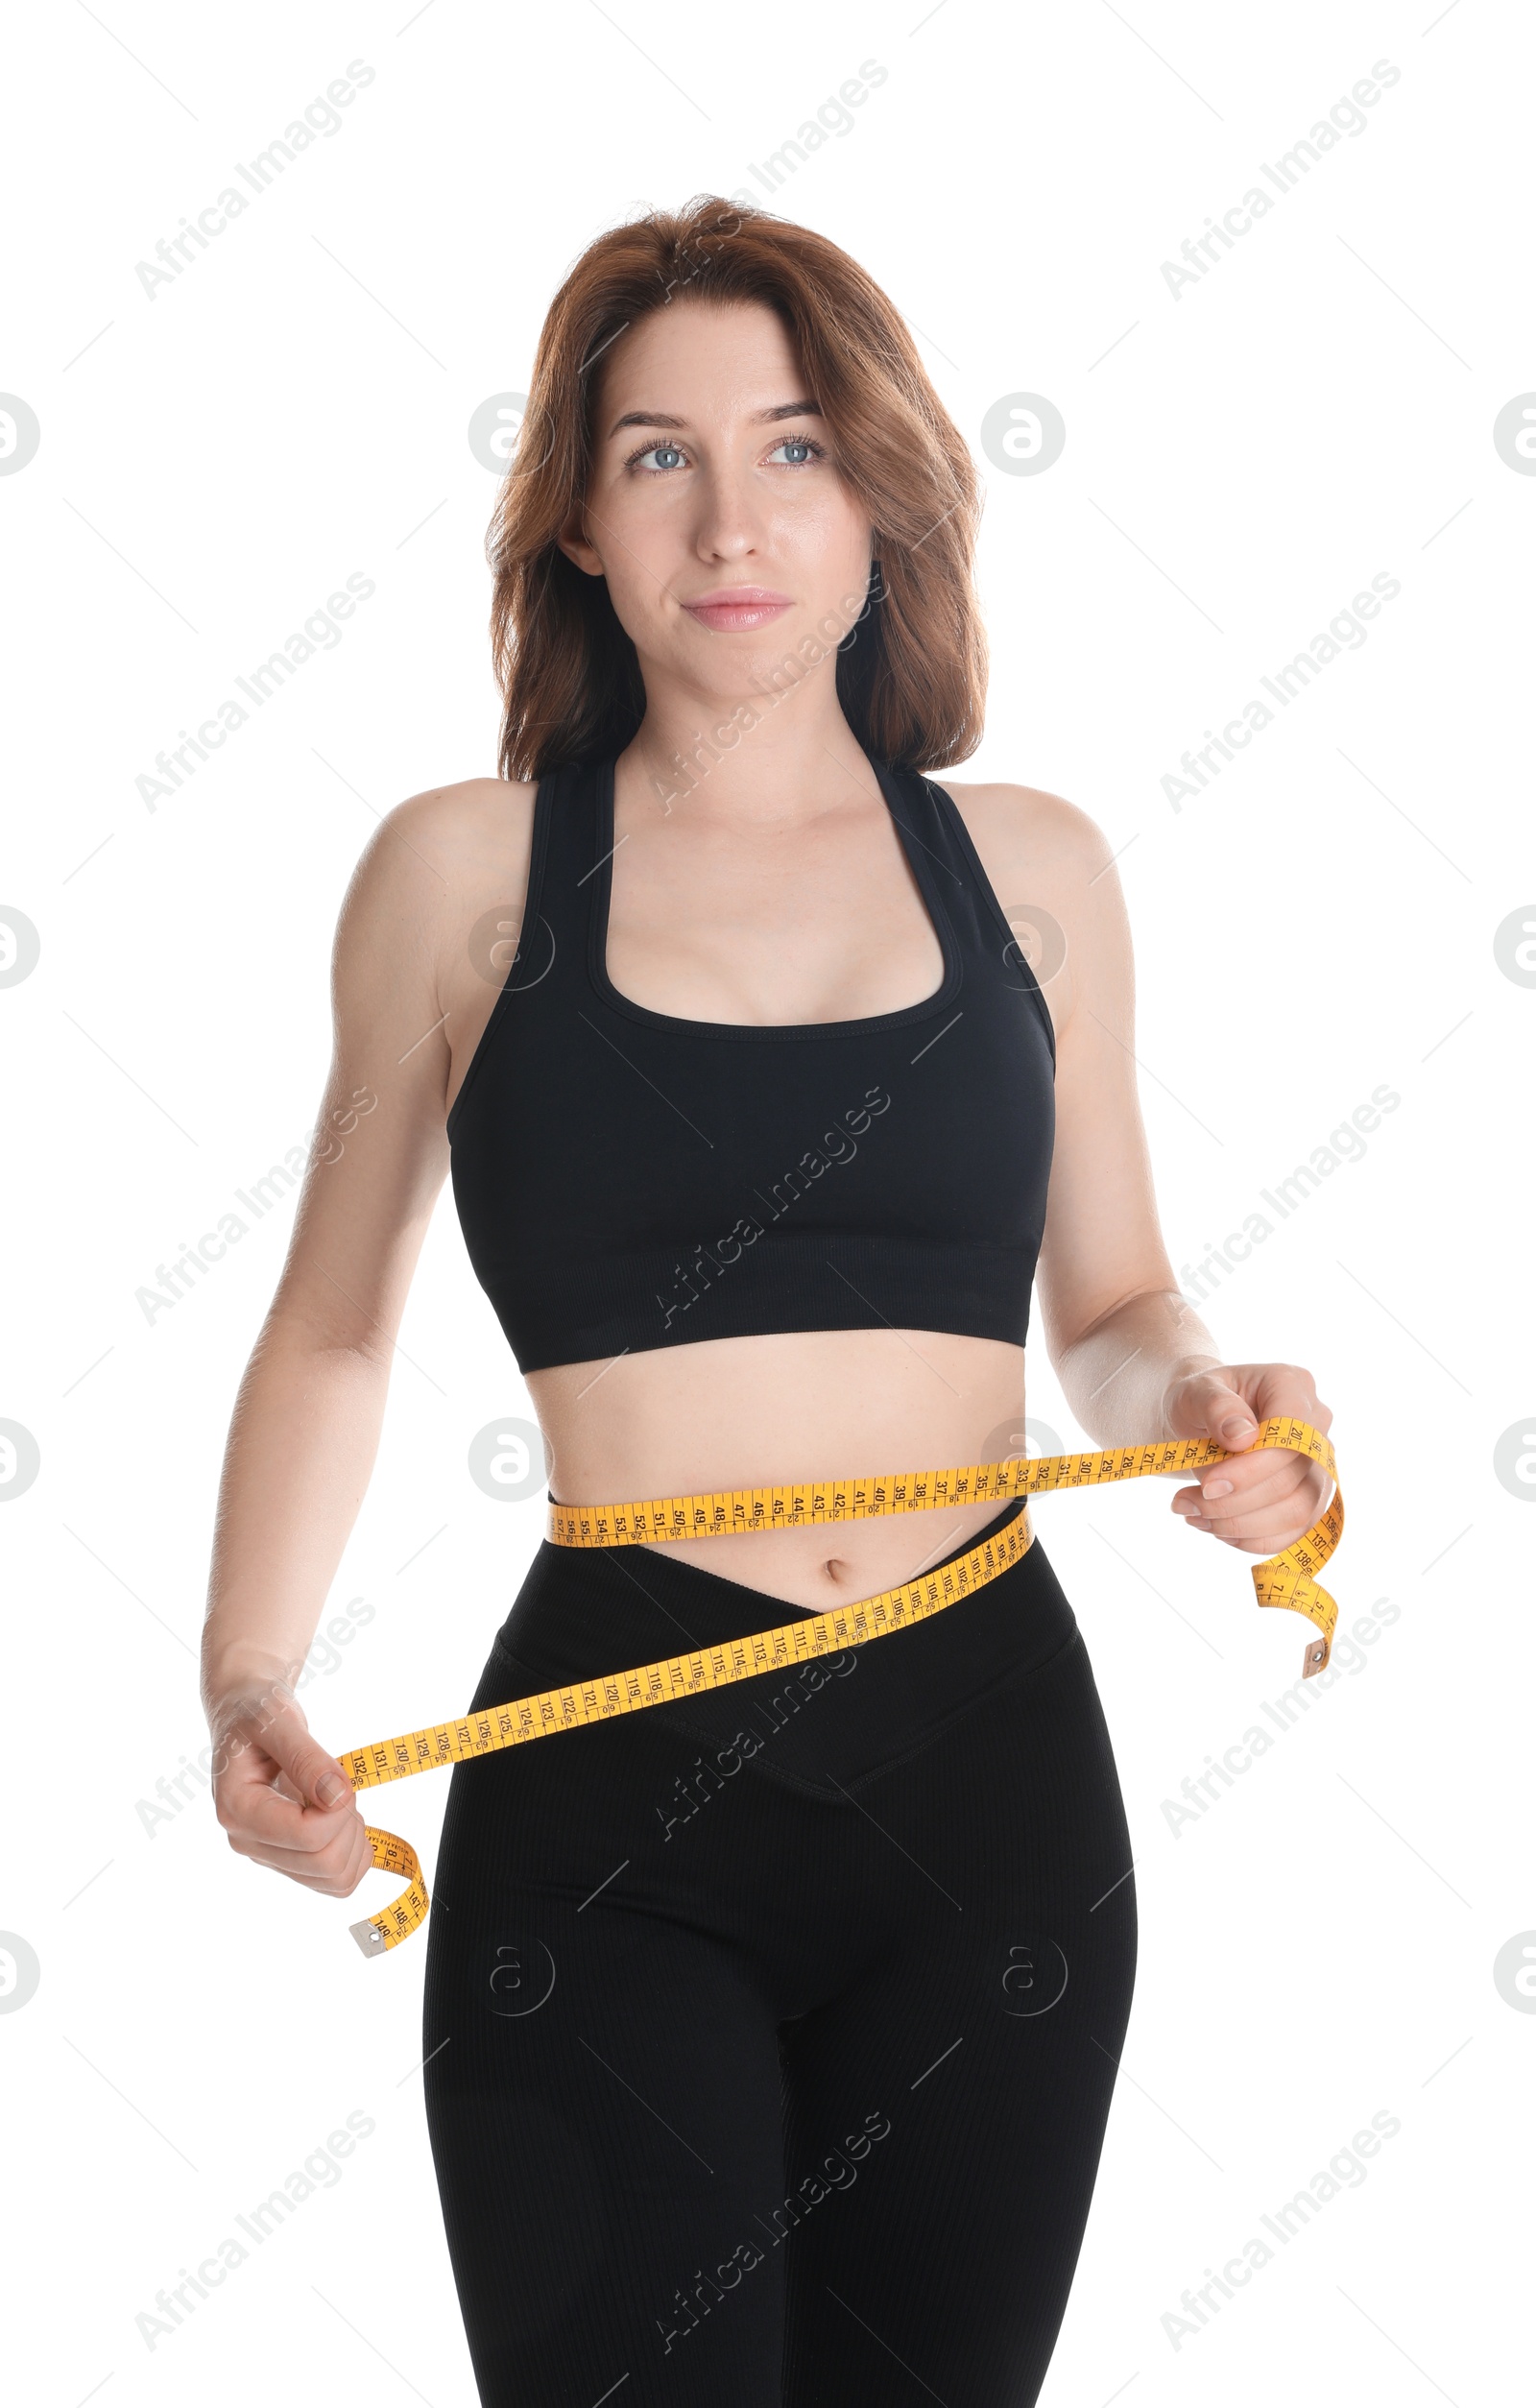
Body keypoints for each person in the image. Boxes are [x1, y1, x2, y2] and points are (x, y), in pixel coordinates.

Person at [201, 196, 1332, 2406]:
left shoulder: (1031, 872)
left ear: (882, 495)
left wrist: (1205, 1392)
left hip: (987, 1784)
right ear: (576, 531)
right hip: (614, 1792)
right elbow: (336, 1324)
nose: (731, 516)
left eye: (794, 446)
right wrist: (251, 1669)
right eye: (656, 455)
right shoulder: (465, 873)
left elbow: (1105, 1293)